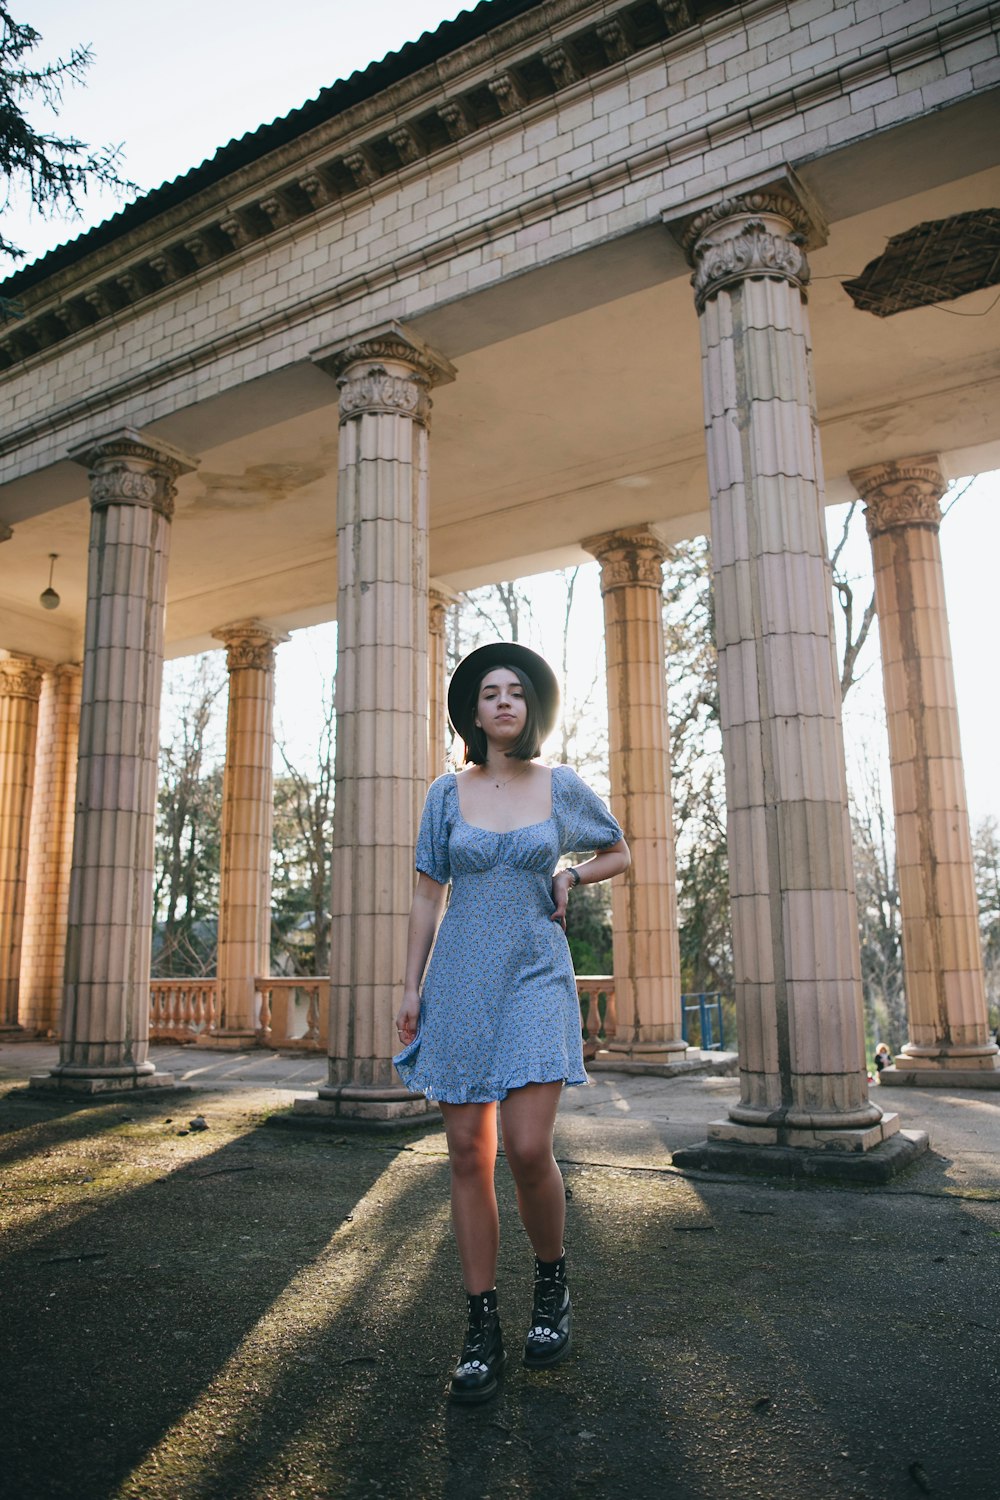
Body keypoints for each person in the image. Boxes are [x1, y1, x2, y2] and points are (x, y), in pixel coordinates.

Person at [393, 642, 631, 1405]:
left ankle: (553, 1283)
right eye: (489, 692)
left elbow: (619, 850)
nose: (502, 701)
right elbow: (429, 894)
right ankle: (480, 1323)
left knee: (528, 1148)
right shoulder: (444, 793)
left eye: (516, 692)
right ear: (473, 710)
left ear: (531, 709)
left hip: (534, 971)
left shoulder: (558, 786)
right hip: (460, 976)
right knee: (468, 1151)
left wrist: (571, 871)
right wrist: (411, 986)